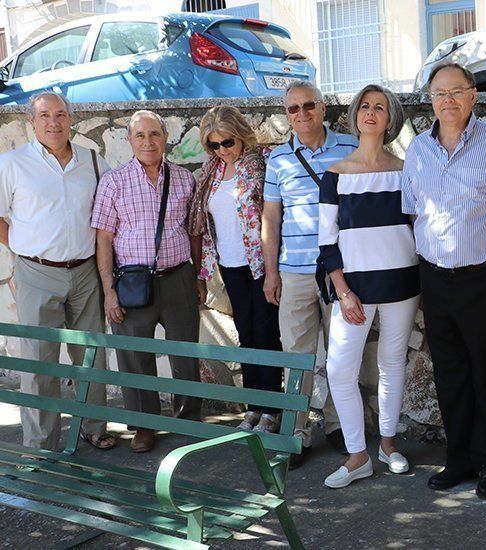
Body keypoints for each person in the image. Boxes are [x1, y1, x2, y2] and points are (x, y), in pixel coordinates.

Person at [402, 62, 486, 499]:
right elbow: (412, 209)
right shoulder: (418, 150)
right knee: (449, 374)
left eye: (456, 92)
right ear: (430, 100)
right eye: (438, 93)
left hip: (484, 278)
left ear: (473, 95)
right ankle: (460, 459)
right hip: (435, 277)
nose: (447, 100)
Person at [318, 84, 420, 489]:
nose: (371, 112)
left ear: (390, 118)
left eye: (380, 107)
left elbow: (417, 226)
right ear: (355, 116)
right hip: (353, 291)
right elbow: (327, 241)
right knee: (340, 368)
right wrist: (343, 291)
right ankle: (357, 454)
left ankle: (389, 445)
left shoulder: (406, 171)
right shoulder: (335, 176)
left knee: (392, 364)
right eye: (365, 106)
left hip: (402, 282)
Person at [0, 91, 114, 451]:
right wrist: (21, 250)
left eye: (61, 115)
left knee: (91, 356)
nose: (53, 122)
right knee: (38, 361)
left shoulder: (93, 162)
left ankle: (94, 426)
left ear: (71, 119)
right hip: (36, 272)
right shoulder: (12, 164)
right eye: (45, 116)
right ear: (31, 122)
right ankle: (40, 443)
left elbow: (109, 215)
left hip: (85, 273)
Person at [91, 110, 201, 453]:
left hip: (178, 275)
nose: (148, 142)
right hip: (133, 282)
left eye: (154, 134)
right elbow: (104, 239)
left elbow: (193, 230)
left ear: (165, 138)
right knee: (135, 356)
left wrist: (197, 275)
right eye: (140, 136)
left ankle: (187, 418)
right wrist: (109, 291)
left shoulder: (184, 179)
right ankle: (144, 425)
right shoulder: (114, 181)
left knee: (185, 352)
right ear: (129, 141)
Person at [262, 80, 357, 469]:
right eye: (293, 109)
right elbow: (271, 217)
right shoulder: (278, 160)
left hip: (341, 272)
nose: (301, 114)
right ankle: (295, 433)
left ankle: (339, 425)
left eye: (308, 106)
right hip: (296, 272)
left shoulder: (351, 146)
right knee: (297, 358)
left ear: (323, 108)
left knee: (341, 354)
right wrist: (271, 273)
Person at [189, 105, 283, 433]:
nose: (221, 150)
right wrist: (202, 273)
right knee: (246, 334)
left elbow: (275, 212)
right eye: (213, 145)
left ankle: (273, 408)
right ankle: (255, 405)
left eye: (227, 142)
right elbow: (202, 222)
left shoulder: (261, 163)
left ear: (240, 135)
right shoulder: (211, 172)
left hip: (260, 264)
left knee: (266, 334)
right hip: (230, 265)